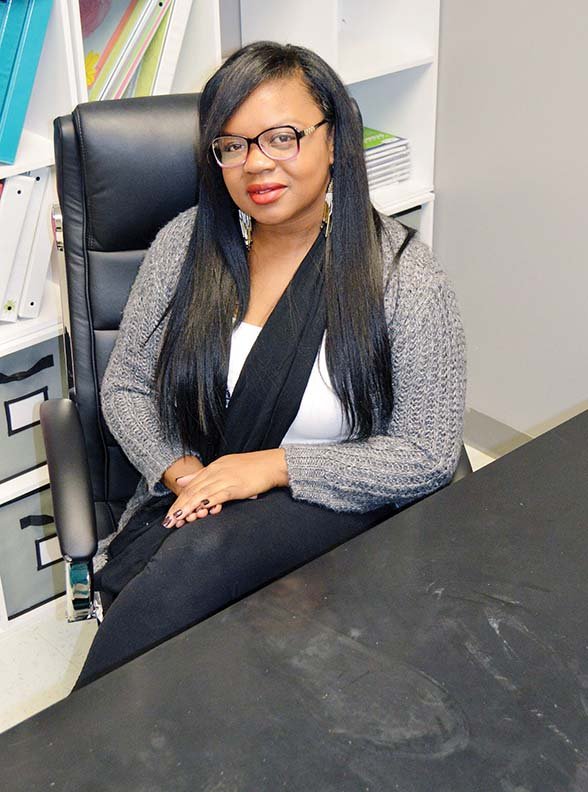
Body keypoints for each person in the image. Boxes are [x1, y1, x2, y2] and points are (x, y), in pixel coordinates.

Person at [73, 41, 466, 689]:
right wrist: (187, 475)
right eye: (232, 145)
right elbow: (127, 388)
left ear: (335, 139)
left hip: (341, 515)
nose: (257, 164)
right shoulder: (185, 245)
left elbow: (426, 454)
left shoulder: (402, 275)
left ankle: (78, 744)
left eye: (281, 137)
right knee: (196, 591)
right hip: (196, 503)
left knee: (201, 567)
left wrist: (270, 468)